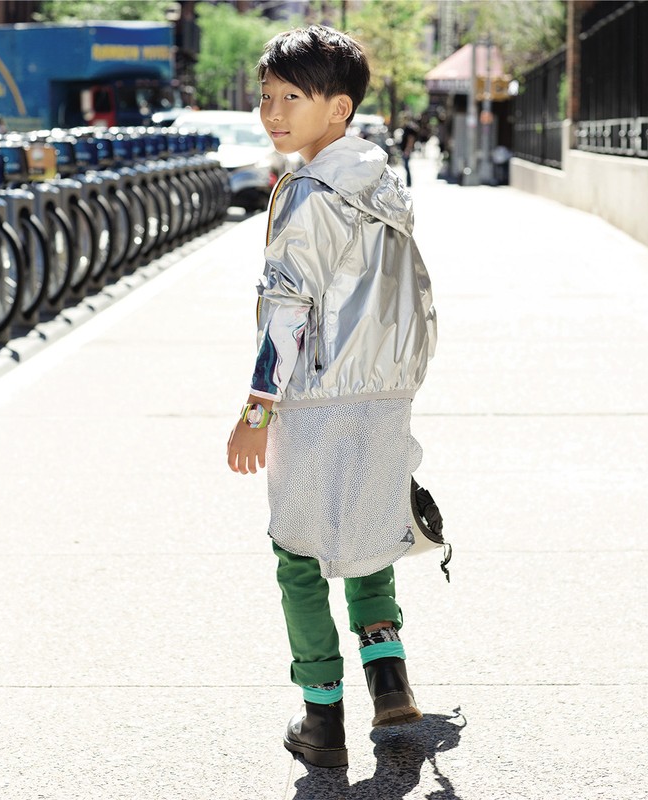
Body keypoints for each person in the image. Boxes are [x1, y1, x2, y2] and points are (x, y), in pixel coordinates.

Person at [227, 25, 436, 769]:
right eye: (266, 97)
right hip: (384, 393)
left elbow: (288, 306)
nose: (272, 112)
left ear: (339, 108)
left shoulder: (311, 191)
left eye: (292, 97)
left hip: (316, 398)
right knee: (368, 530)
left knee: (300, 552)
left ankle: (321, 718)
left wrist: (257, 410)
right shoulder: (382, 183)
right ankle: (390, 679)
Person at [400, 119, 419, 187]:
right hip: (406, 150)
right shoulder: (408, 128)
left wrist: (407, 150)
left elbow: (410, 140)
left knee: (406, 167)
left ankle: (409, 182)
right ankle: (408, 182)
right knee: (406, 167)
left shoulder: (409, 129)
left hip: (406, 151)